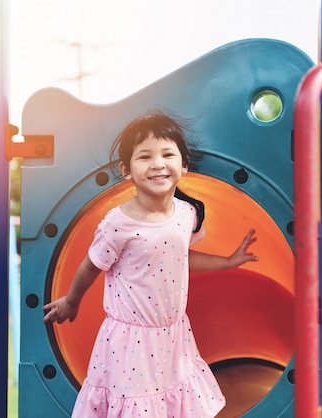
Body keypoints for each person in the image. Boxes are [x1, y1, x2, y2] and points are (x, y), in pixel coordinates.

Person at [43, 111, 258, 417]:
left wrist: (228, 262)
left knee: (172, 402)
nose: (158, 164)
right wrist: (72, 301)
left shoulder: (186, 213)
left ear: (183, 165)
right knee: (139, 406)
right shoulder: (118, 223)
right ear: (126, 169)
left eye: (167, 154)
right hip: (130, 341)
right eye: (145, 156)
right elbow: (91, 265)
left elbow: (180, 257)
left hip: (173, 334)